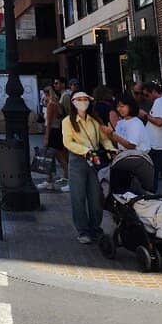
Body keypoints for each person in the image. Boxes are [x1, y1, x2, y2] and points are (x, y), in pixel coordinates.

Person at [62, 90, 113, 244]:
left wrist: (111, 149)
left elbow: (104, 139)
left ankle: (95, 228)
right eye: (79, 99)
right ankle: (83, 231)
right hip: (78, 160)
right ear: (73, 102)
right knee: (78, 197)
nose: (83, 101)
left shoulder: (94, 121)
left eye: (85, 99)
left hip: (95, 160)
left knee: (96, 197)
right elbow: (68, 142)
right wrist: (85, 151)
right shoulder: (68, 121)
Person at [39, 85, 68, 191]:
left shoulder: (51, 105)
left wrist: (46, 137)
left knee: (55, 157)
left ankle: (50, 180)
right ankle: (51, 179)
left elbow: (49, 122)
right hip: (57, 131)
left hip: (52, 132)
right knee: (59, 157)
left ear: (46, 94)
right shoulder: (57, 104)